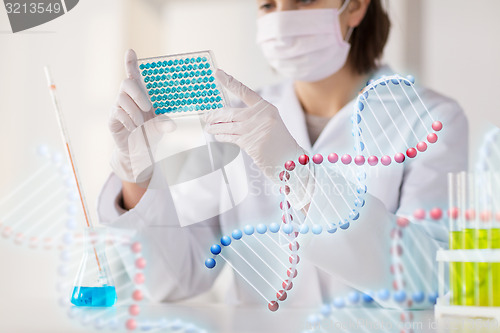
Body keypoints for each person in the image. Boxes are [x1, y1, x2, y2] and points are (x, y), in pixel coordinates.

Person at [99, 0, 468, 308]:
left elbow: (425, 280)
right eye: (268, 5)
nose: (281, 19)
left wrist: (300, 176)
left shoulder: (431, 119)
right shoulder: (235, 118)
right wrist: (136, 174)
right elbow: (174, 279)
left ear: (355, 6)